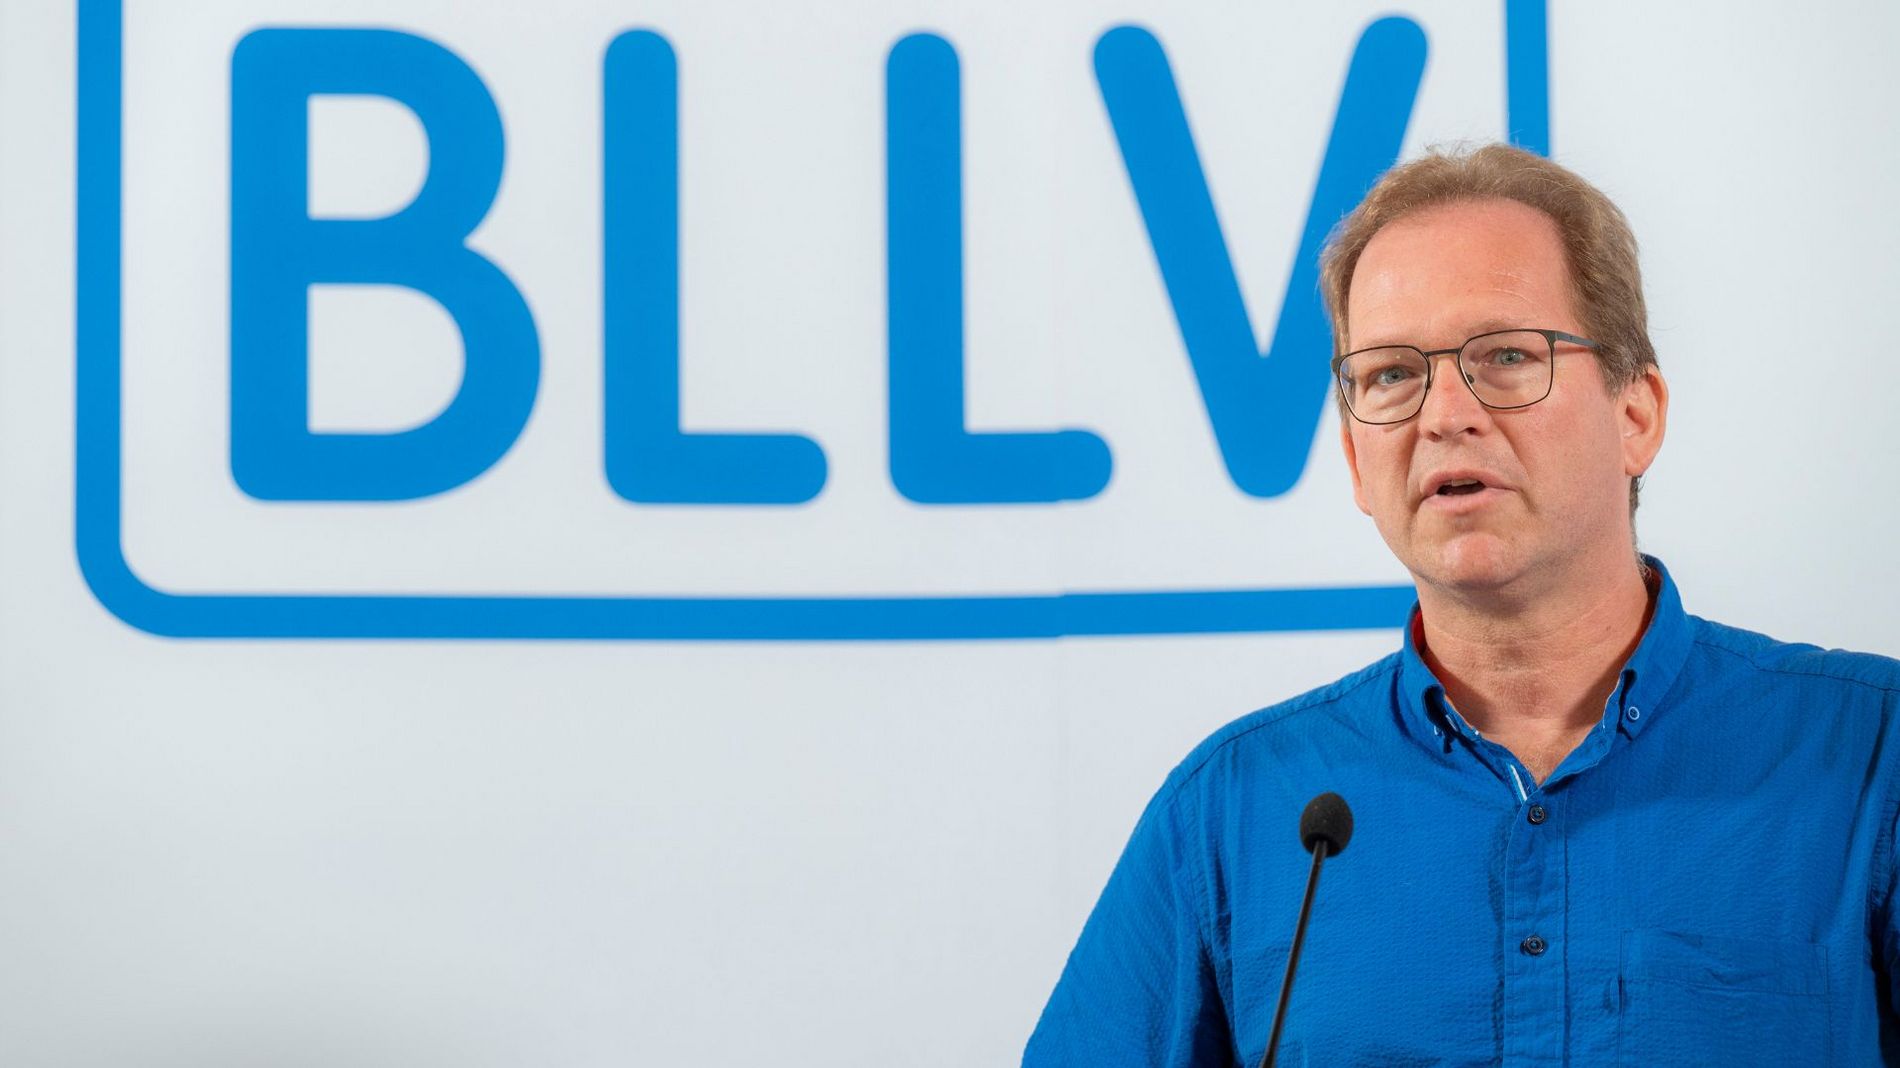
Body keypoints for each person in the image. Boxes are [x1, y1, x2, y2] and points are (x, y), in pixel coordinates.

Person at [1023, 143, 1900, 1066]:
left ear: (1636, 415)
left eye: (1507, 356)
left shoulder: (1869, 757)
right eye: (1391, 376)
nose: (1444, 415)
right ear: (1356, 460)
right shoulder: (1236, 813)